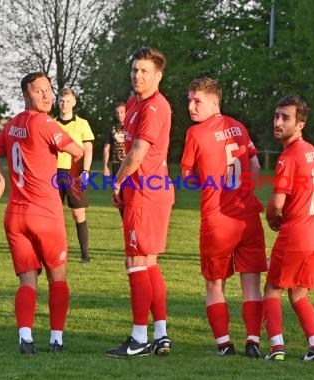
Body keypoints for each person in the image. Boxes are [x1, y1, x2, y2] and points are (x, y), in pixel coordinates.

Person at [0, 72, 83, 354]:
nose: (47, 95)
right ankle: (56, 339)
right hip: (45, 215)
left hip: (15, 215)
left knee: (28, 281)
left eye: (49, 90)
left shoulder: (14, 123)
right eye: (39, 91)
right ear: (26, 96)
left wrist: (0, 179)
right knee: (58, 279)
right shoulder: (44, 122)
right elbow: (76, 150)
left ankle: (25, 338)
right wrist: (74, 177)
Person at [180, 78, 267, 357]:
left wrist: (208, 180)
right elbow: (254, 164)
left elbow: (188, 177)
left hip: (217, 219)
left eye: (197, 101)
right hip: (248, 216)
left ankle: (224, 344)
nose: (191, 106)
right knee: (251, 282)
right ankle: (253, 341)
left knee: (215, 282)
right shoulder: (239, 127)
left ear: (214, 102)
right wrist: (245, 192)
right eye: (190, 100)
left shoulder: (195, 133)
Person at [105, 47, 175, 357]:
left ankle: (139, 339)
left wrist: (116, 180)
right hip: (147, 192)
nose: (137, 75)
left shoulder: (154, 107)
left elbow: (137, 154)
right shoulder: (134, 103)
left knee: (135, 262)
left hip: (146, 193)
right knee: (148, 262)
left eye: (144, 71)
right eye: (135, 69)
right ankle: (160, 334)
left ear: (158, 75)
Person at [262, 95, 314, 362]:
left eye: (285, 118)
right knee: (299, 293)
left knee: (272, 290)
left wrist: (271, 217)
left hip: (297, 235)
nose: (278, 122)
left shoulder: (289, 156)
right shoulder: (311, 150)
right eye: (276, 116)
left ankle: (277, 348)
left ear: (300, 124)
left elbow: (277, 203)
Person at [55, 88, 95, 263]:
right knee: (53, 216)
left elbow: (88, 149)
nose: (64, 104)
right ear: (58, 102)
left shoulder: (82, 124)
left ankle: (85, 256)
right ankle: (55, 253)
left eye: (68, 101)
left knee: (78, 215)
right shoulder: (50, 123)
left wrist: (85, 171)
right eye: (62, 100)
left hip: (75, 174)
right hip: (54, 173)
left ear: (74, 102)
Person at [102, 102, 126, 218]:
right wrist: (105, 165)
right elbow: (107, 148)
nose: (119, 114)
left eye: (122, 112)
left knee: (131, 194)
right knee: (118, 196)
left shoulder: (132, 126)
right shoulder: (111, 128)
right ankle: (124, 220)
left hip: (129, 165)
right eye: (117, 112)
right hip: (116, 165)